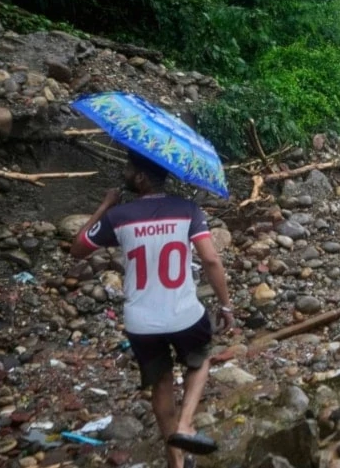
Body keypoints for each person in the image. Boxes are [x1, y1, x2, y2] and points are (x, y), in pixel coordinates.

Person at [71, 151, 235, 468]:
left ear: (142, 178)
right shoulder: (188, 210)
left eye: (130, 169)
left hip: (142, 323)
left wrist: (105, 206)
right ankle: (186, 424)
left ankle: (175, 462)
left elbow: (77, 249)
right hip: (185, 315)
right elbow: (211, 260)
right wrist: (226, 305)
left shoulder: (119, 217)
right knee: (199, 361)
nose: (126, 173)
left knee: (160, 383)